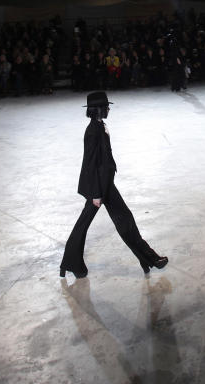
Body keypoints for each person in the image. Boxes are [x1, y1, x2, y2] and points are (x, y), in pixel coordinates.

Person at [60, 91, 168, 278]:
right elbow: (89, 162)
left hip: (105, 183)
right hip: (99, 187)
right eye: (106, 106)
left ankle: (148, 259)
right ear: (98, 110)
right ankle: (71, 263)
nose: (109, 109)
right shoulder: (92, 131)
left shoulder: (100, 126)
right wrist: (95, 193)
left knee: (123, 220)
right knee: (103, 223)